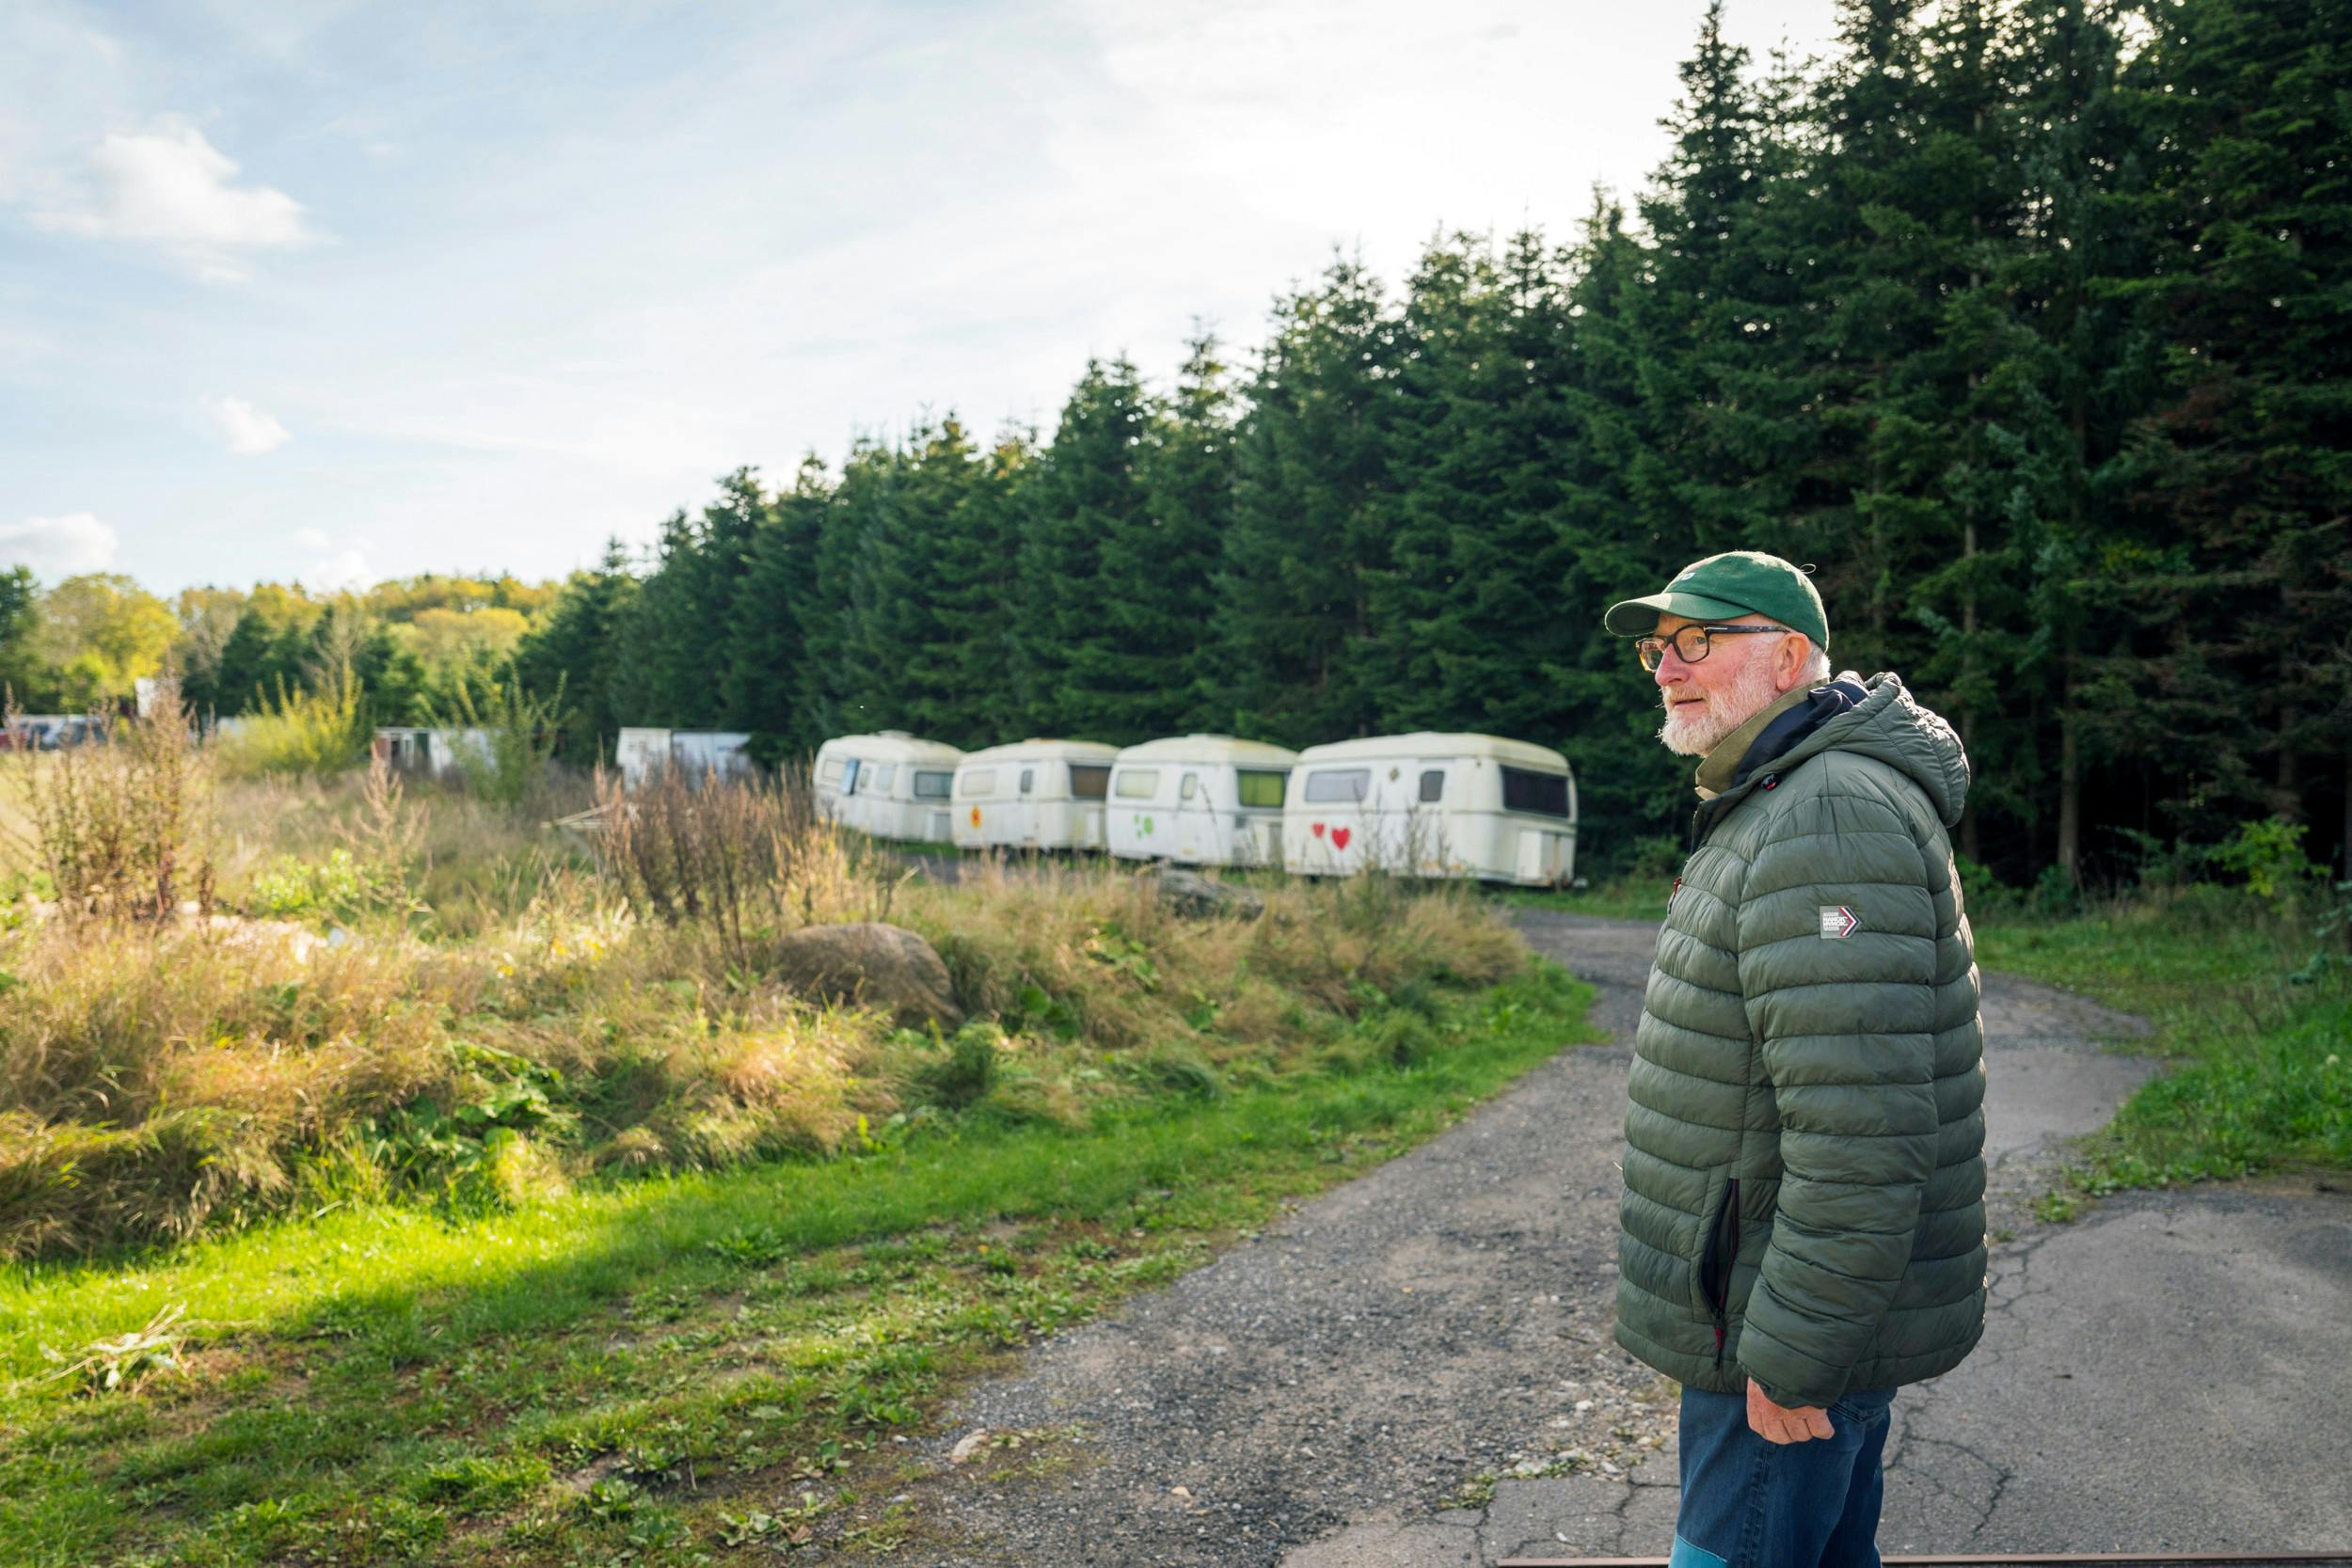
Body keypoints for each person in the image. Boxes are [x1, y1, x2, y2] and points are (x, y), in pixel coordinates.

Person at [1603, 551, 1987, 1568]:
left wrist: (1795, 1354)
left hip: (1774, 1333)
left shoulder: (1827, 812)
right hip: (1765, 1308)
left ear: (1786, 656)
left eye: (1697, 639)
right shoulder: (1779, 795)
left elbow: (1861, 1127)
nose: (1666, 665)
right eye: (1656, 646)